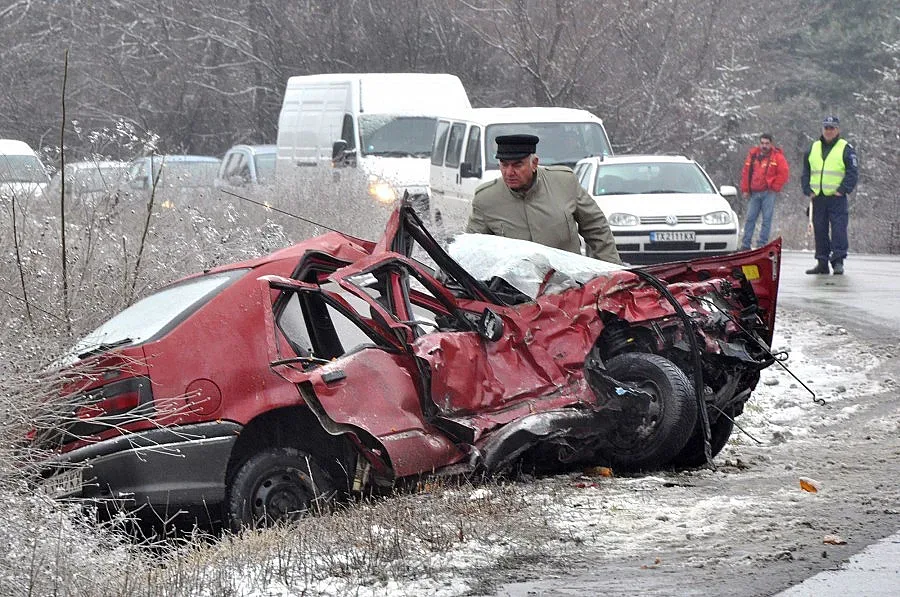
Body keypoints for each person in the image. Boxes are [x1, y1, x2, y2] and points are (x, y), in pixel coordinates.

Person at [465, 134, 622, 264]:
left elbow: (596, 227)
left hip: (569, 287)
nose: (509, 172)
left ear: (534, 163)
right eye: (504, 165)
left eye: (517, 165)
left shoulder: (564, 183)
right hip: (515, 293)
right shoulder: (486, 199)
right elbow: (471, 250)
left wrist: (615, 274)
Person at [800, 116, 859, 275]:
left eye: (832, 128)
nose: (828, 131)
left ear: (837, 130)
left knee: (839, 229)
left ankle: (838, 262)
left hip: (836, 197)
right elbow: (806, 171)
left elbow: (852, 173)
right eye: (826, 127)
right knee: (820, 230)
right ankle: (822, 262)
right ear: (822, 129)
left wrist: (843, 189)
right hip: (817, 197)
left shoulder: (845, 148)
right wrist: (807, 189)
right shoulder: (813, 147)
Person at [739, 133, 789, 250]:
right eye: (762, 143)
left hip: (768, 193)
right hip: (754, 192)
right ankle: (745, 245)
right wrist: (746, 189)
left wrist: (775, 187)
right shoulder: (753, 155)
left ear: (771, 144)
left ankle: (761, 244)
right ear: (759, 143)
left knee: (767, 219)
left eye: (767, 143)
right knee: (750, 218)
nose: (764, 146)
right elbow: (746, 173)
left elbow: (784, 173)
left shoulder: (777, 157)